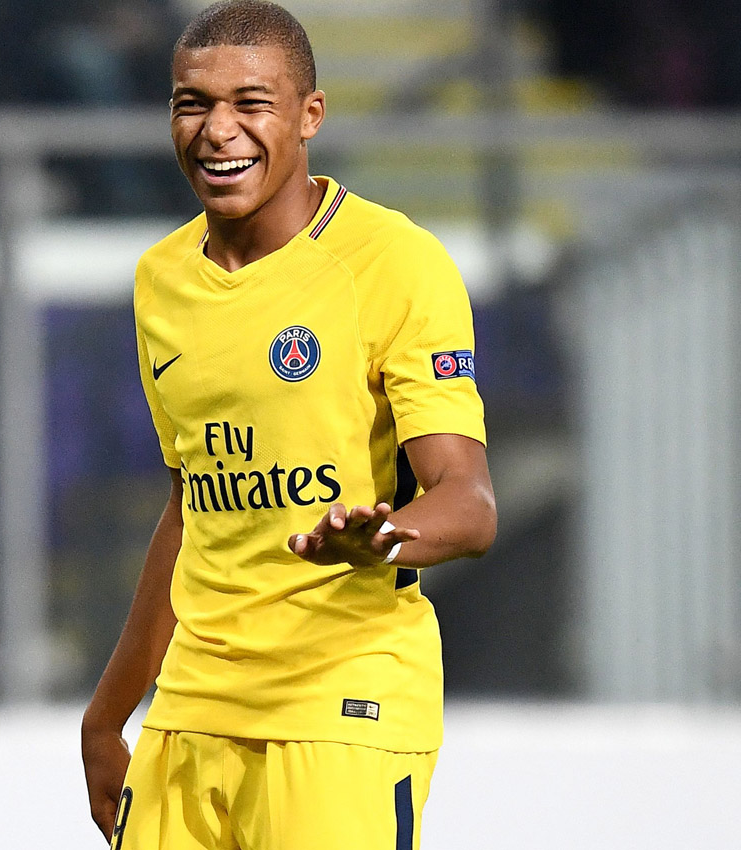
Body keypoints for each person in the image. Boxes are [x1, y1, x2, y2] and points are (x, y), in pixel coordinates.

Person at [80, 1, 497, 848]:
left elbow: (470, 502)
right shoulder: (161, 278)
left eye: (250, 103)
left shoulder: (394, 263)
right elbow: (191, 510)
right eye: (192, 104)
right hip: (191, 711)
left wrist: (385, 538)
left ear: (310, 115)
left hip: (340, 704)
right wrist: (106, 716)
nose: (217, 131)